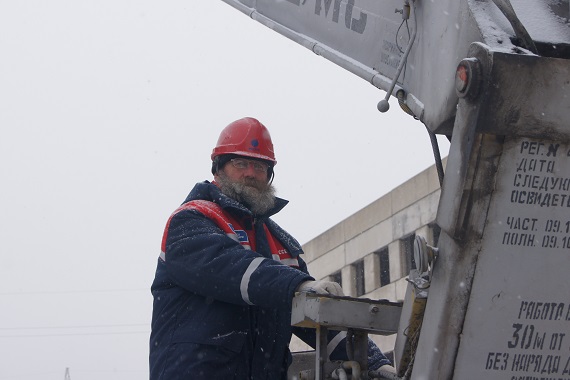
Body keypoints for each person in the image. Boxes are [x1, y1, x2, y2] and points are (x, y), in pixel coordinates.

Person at [149, 117, 393, 379]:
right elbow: (232, 269)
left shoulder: (281, 244)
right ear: (218, 168)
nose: (251, 173)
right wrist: (297, 286)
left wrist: (373, 362)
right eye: (240, 163)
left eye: (260, 166)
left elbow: (318, 319)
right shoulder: (191, 221)